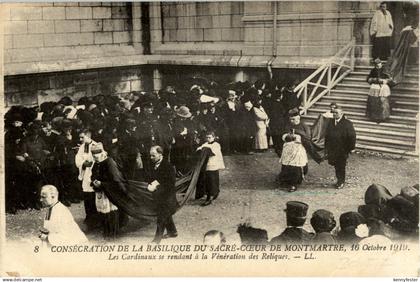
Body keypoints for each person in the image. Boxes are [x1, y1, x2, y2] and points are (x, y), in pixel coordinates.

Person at [91, 143, 129, 238]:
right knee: (103, 213)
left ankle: (113, 233)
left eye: (97, 153)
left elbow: (116, 179)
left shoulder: (109, 162)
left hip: (110, 192)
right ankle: (106, 231)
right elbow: (93, 175)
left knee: (111, 212)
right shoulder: (96, 163)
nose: (95, 156)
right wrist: (94, 181)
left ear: (102, 153)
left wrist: (102, 184)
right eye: (93, 154)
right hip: (101, 192)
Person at [147, 145, 179, 244]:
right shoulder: (152, 164)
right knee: (166, 214)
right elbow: (150, 177)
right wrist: (151, 183)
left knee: (161, 217)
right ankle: (172, 232)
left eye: (153, 155)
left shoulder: (168, 166)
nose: (151, 158)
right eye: (150, 156)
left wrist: (156, 186)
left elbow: (170, 184)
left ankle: (156, 240)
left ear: (160, 154)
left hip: (168, 197)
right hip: (158, 196)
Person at [325, 106, 356, 189]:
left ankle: (341, 181)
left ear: (342, 114)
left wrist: (351, 148)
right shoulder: (331, 122)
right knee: (335, 165)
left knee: (341, 166)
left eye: (336, 113)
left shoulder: (347, 123)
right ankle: (339, 180)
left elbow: (352, 136)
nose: (334, 114)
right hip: (332, 148)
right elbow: (327, 135)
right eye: (333, 113)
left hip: (343, 149)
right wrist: (326, 147)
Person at [75, 129, 99, 230]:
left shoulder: (95, 145)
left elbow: (98, 159)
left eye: (82, 137)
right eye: (80, 137)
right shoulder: (82, 147)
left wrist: (90, 163)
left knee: (93, 196)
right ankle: (89, 217)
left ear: (88, 136)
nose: (80, 139)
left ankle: (96, 219)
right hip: (85, 174)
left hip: (93, 174)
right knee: (86, 196)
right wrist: (83, 163)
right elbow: (78, 158)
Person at [196, 131, 225, 206]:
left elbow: (212, 152)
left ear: (213, 137)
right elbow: (199, 149)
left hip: (213, 165)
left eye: (210, 137)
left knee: (213, 180)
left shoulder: (216, 145)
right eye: (207, 137)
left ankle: (211, 196)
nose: (208, 139)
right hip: (207, 165)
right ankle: (211, 194)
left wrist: (205, 150)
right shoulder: (205, 144)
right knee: (208, 181)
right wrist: (200, 150)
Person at [366, 58, 392, 123]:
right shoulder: (373, 70)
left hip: (383, 88)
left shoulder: (385, 70)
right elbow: (368, 78)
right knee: (374, 102)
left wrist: (384, 81)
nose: (378, 65)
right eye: (376, 64)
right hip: (374, 88)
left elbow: (390, 79)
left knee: (383, 102)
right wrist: (373, 79)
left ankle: (383, 117)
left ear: (381, 63)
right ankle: (374, 117)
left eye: (379, 63)